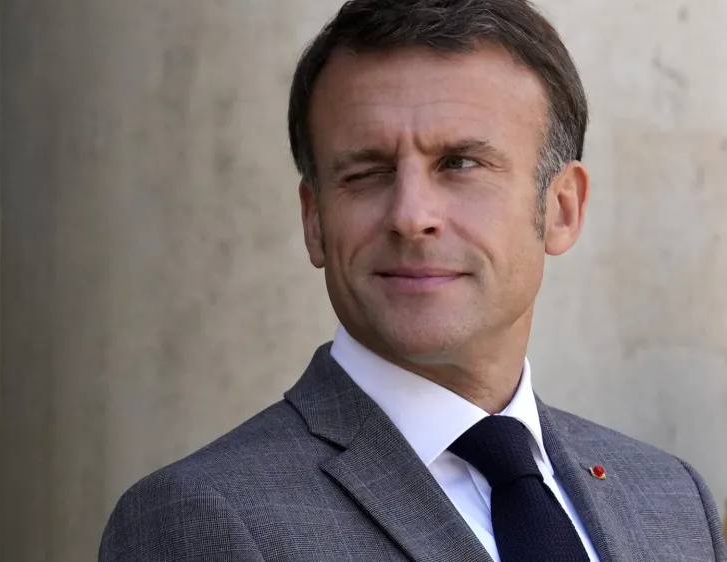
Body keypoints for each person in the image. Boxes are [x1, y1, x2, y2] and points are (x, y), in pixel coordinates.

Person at [99, 0, 727, 560]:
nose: (410, 216)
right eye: (366, 172)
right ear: (315, 221)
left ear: (562, 209)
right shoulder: (200, 520)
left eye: (460, 163)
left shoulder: (672, 500)